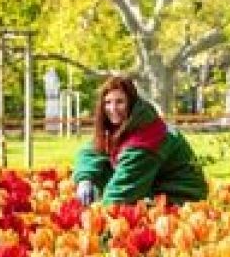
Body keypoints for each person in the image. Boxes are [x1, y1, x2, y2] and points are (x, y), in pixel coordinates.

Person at [72, 76, 208, 206]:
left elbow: (122, 193)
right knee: (100, 170)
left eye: (120, 102)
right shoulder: (124, 123)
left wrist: (97, 219)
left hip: (181, 197)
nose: (112, 109)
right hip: (156, 186)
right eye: (108, 102)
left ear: (131, 102)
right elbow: (93, 149)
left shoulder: (146, 138)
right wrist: (85, 179)